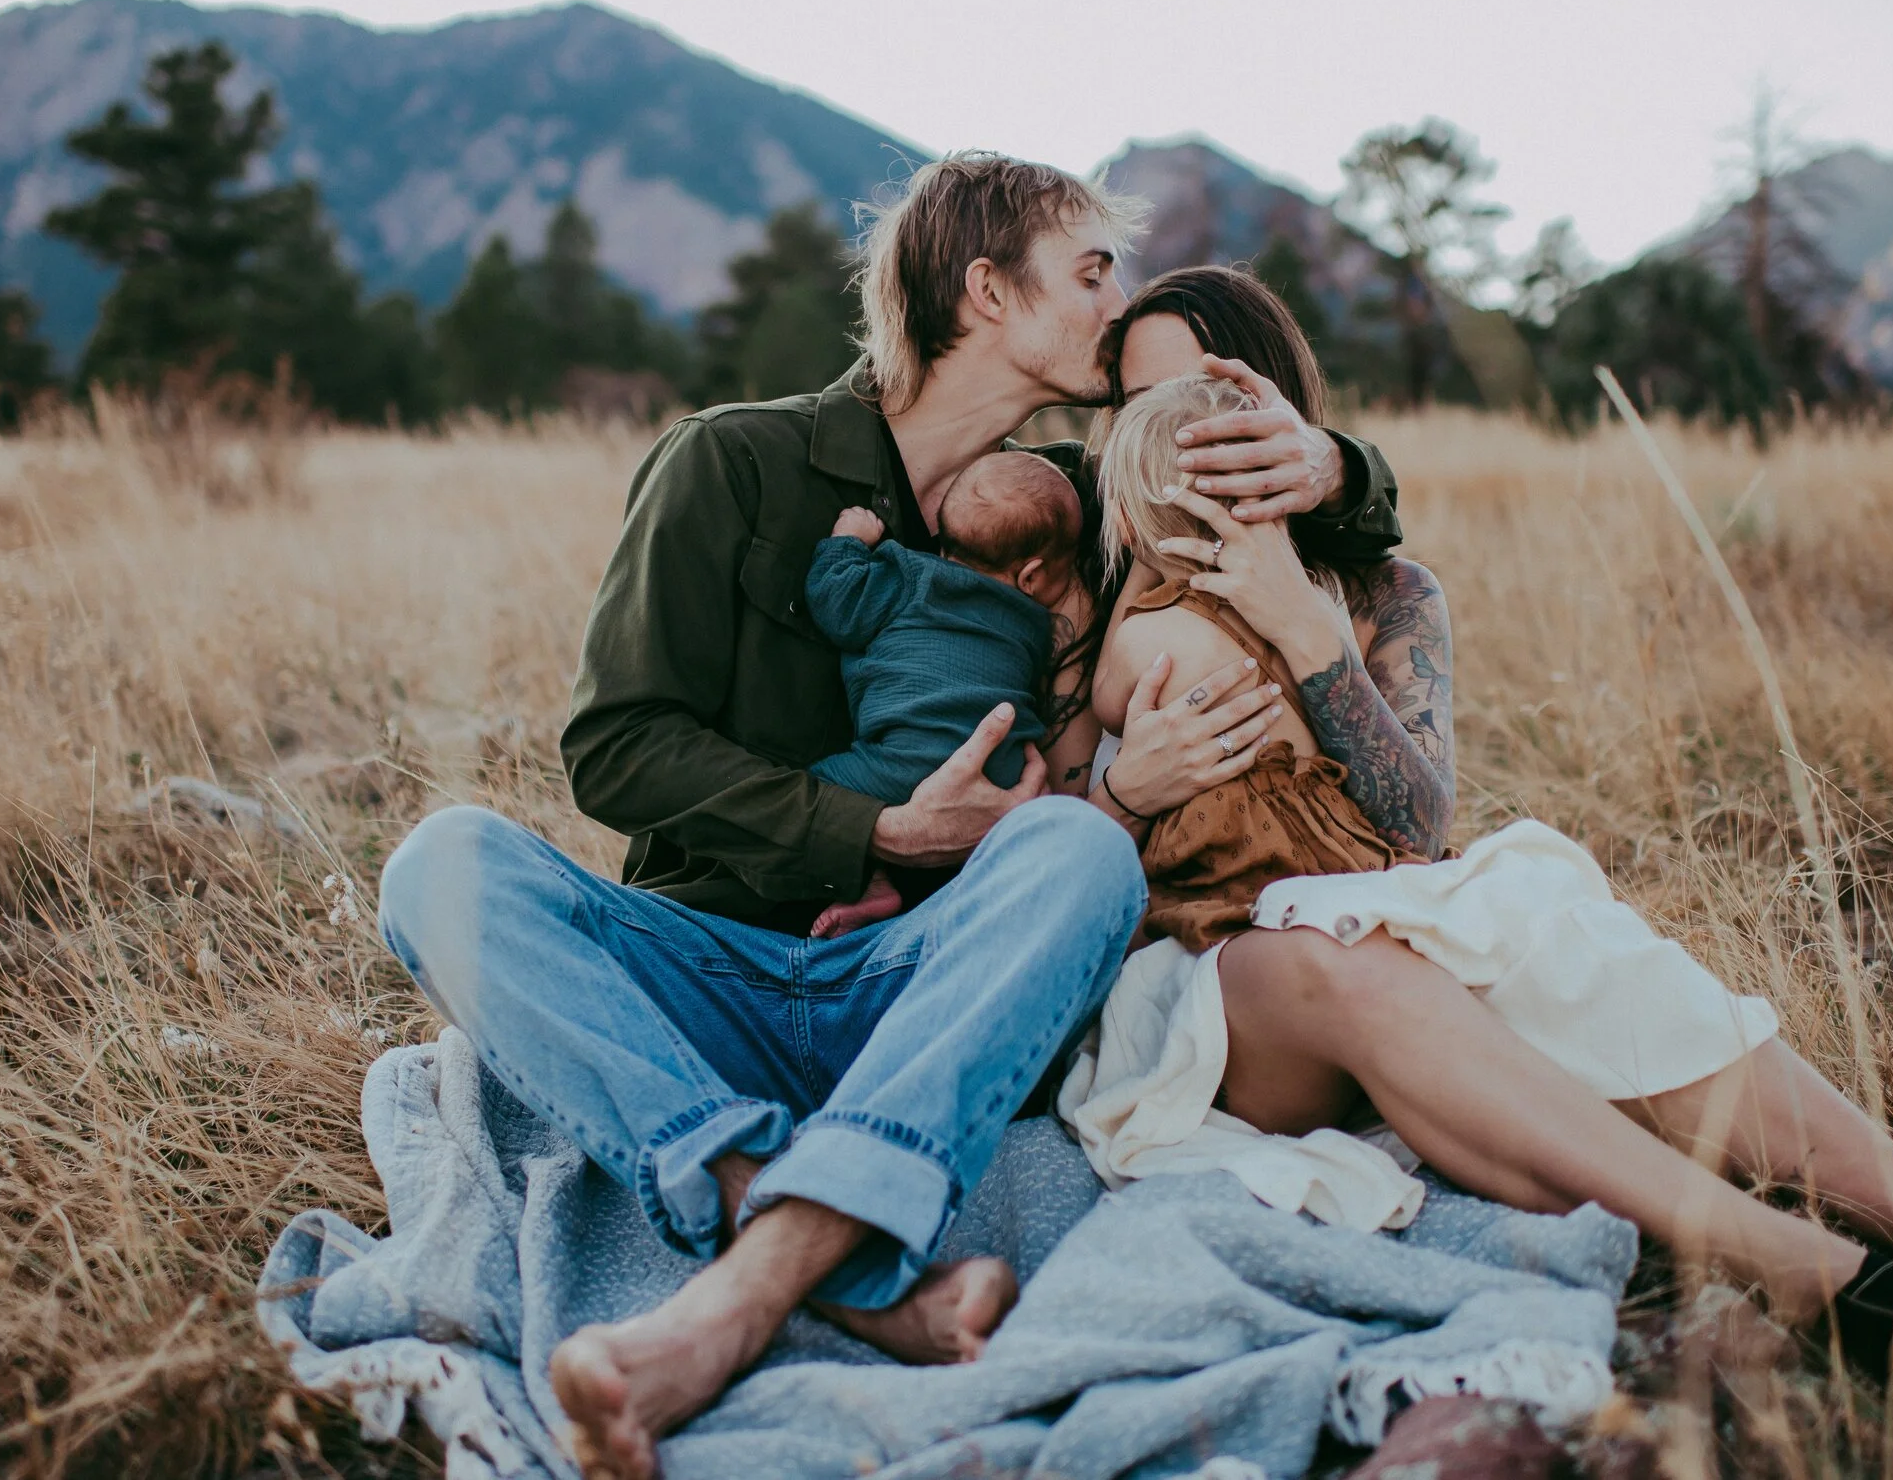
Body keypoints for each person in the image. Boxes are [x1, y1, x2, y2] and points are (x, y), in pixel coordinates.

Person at [374, 159, 1411, 1480]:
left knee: (1076, 847)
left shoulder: (1075, 503)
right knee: (444, 864)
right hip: (723, 972)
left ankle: (735, 1294)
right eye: (1091, 272)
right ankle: (812, 1255)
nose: (1119, 303)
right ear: (988, 291)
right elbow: (616, 747)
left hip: (948, 995)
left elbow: (1346, 543)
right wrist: (878, 831)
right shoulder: (734, 462)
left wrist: (1332, 460)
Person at [1050, 265, 1893, 1438]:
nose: (1176, 436)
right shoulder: (1096, 586)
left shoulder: (1383, 592)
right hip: (1231, 999)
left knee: (1539, 916)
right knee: (1338, 957)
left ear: (1284, 412)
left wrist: (1307, 631)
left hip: (1389, 934)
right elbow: (1039, 855)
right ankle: (1826, 1284)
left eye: (1209, 398)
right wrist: (1125, 788)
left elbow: (1414, 831)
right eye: (1137, 406)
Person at [803, 450, 1089, 937]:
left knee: (816, 799)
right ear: (1030, 577)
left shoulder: (906, 578)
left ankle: (872, 884)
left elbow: (837, 605)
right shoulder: (1037, 627)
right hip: (1002, 770)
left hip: (898, 764)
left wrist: (847, 543)